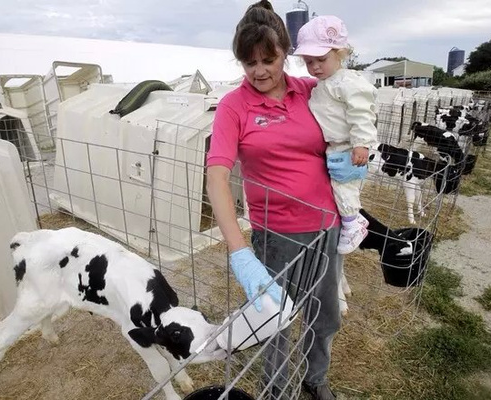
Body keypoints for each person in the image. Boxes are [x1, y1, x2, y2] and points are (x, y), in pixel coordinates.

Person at [206, 1, 341, 399]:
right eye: (249, 62)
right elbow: (216, 176)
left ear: (286, 52)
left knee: (325, 315)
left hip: (326, 227)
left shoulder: (311, 91)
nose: (259, 70)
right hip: (276, 235)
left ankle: (316, 381)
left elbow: (351, 119)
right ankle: (276, 389)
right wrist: (239, 252)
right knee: (276, 323)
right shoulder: (235, 106)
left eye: (269, 59)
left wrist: (357, 158)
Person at [294, 15, 378, 256]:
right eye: (309, 62)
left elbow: (362, 113)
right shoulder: (323, 84)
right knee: (337, 185)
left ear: (340, 54)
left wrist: (361, 144)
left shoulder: (348, 82)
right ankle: (350, 219)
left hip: (348, 147)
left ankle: (354, 223)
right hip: (333, 146)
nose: (315, 67)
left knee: (344, 186)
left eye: (321, 59)